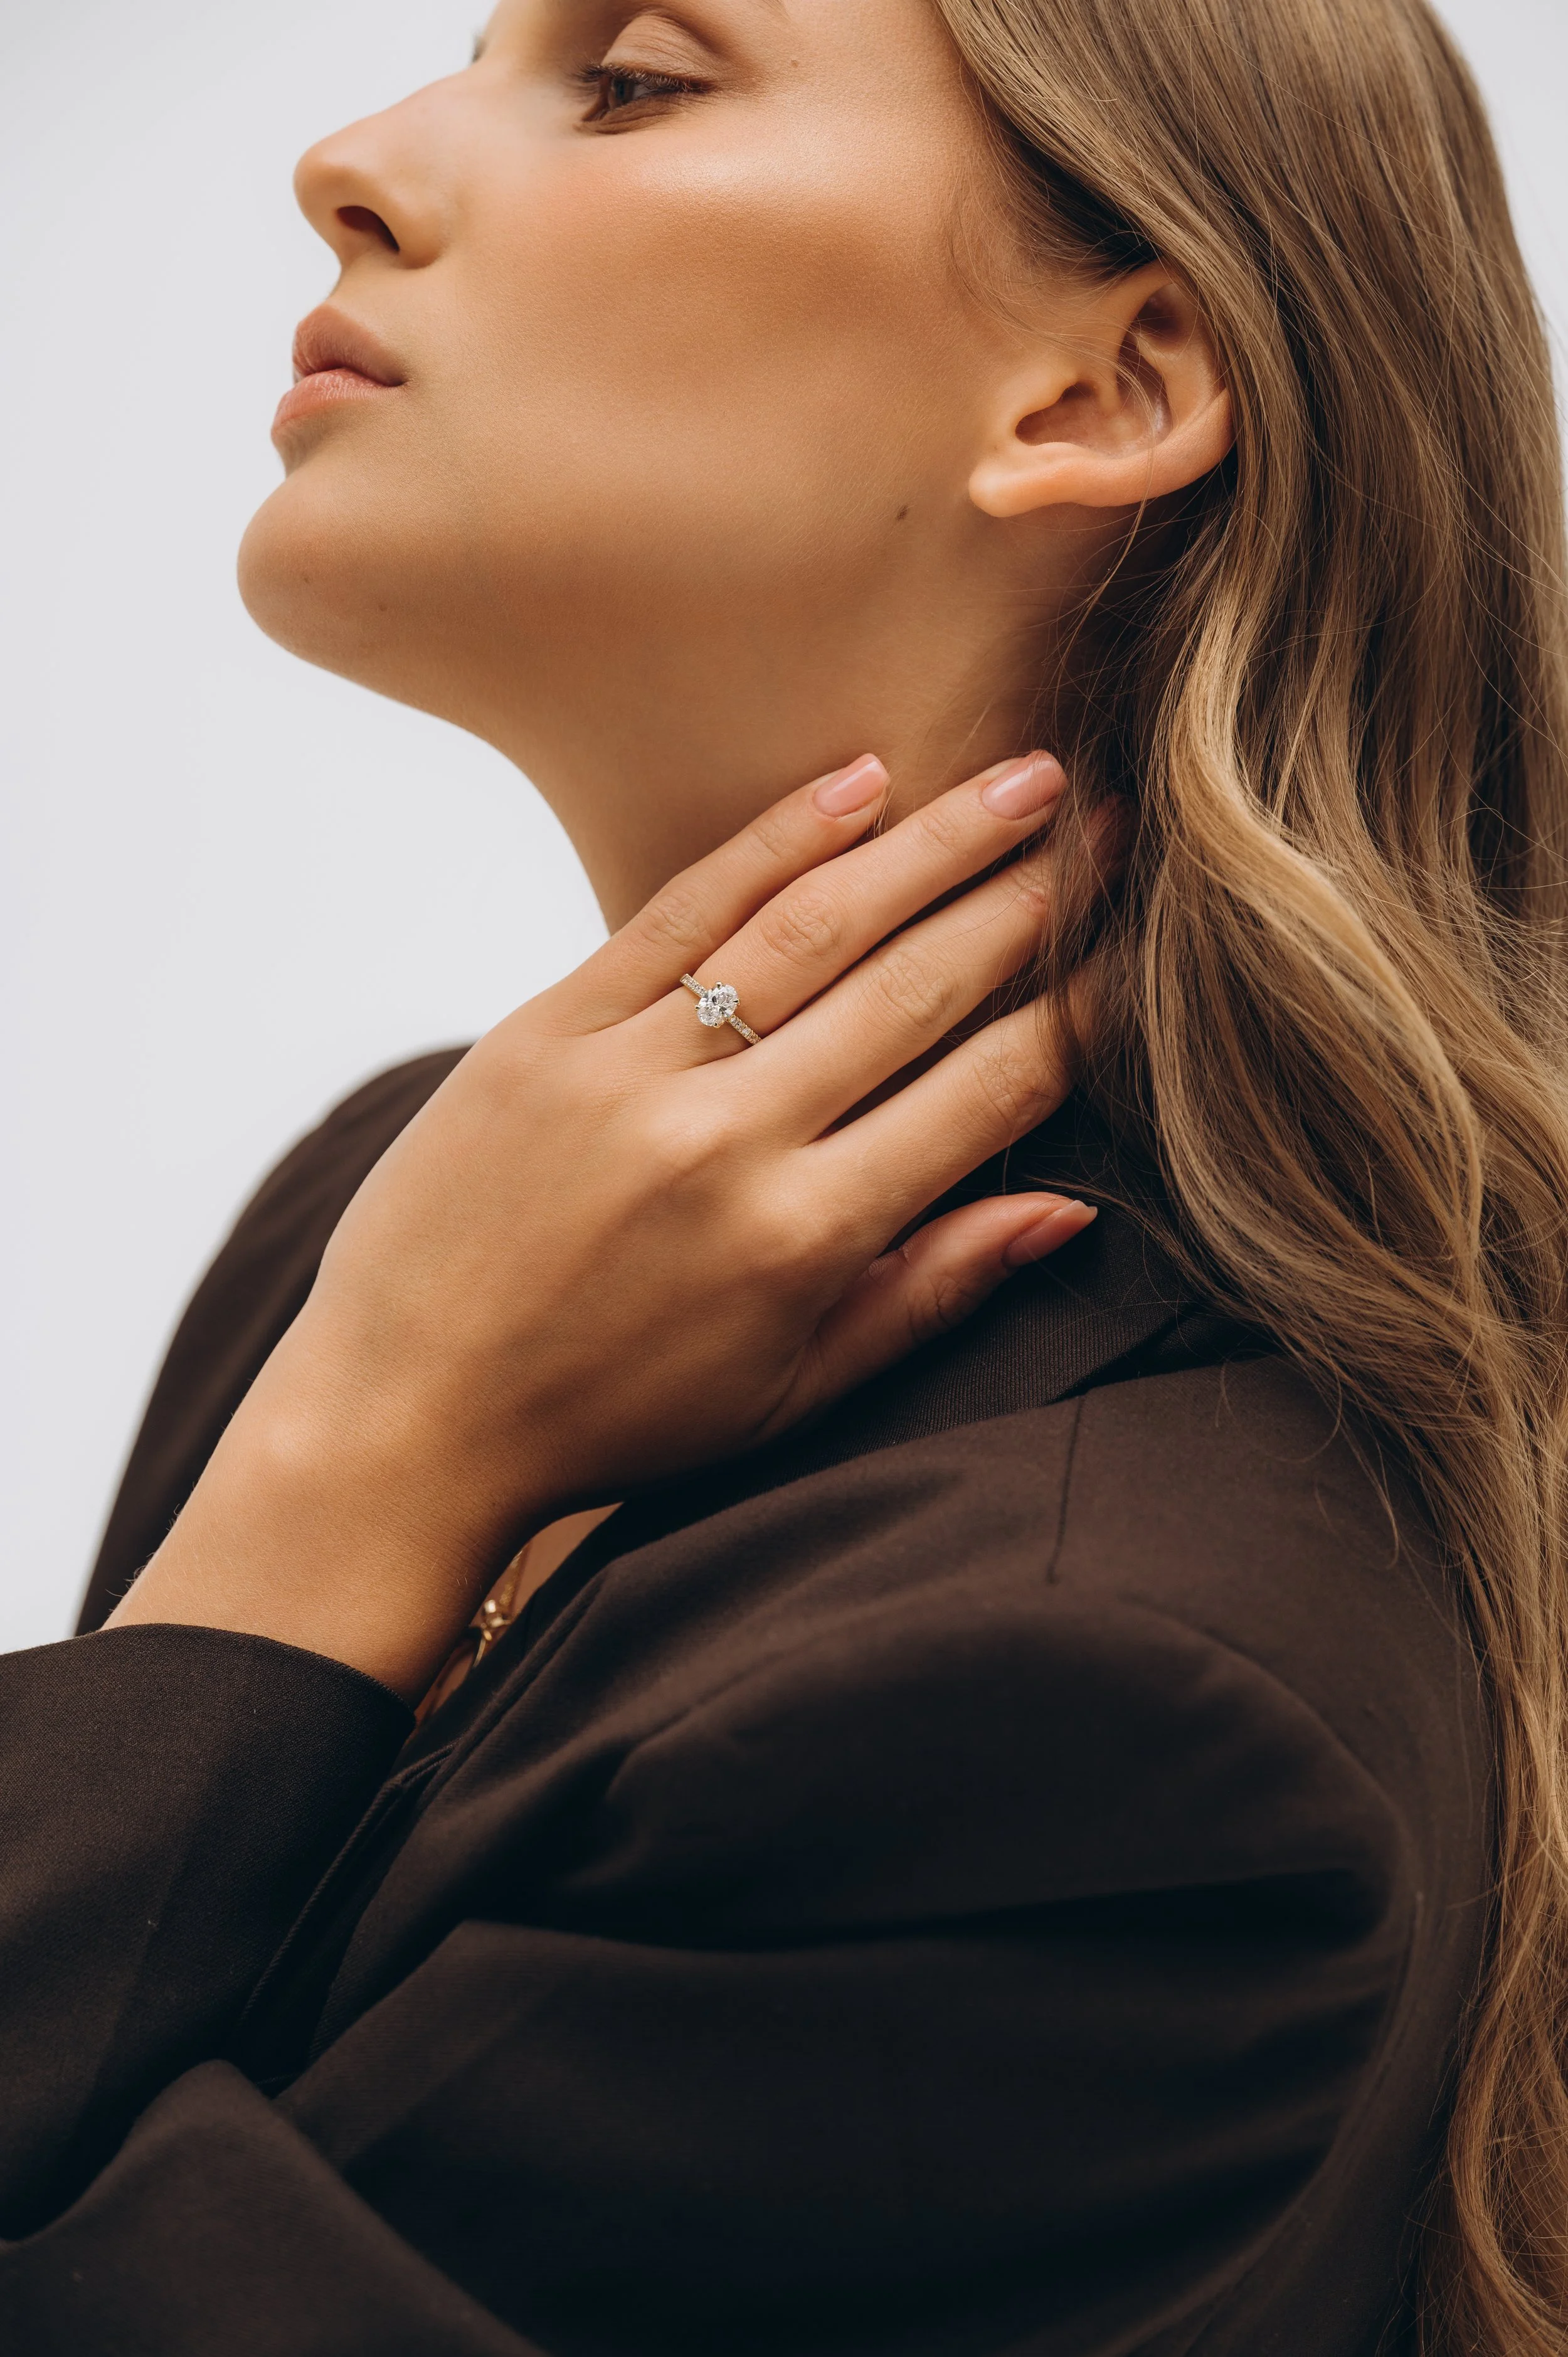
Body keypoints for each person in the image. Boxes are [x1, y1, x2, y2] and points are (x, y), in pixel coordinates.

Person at [2, 0, 1565, 2349]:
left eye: (634, 75)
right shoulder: (403, 1219)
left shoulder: (1074, 1709)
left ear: (1100, 391)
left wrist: (353, 1470)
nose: (348, 158)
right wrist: (375, 1406)